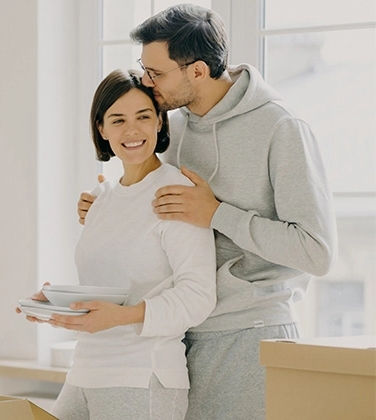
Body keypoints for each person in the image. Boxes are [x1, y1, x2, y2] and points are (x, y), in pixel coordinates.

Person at [76, 5, 338, 420]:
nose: (146, 83)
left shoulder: (281, 128)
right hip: (175, 338)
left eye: (156, 74)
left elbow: (317, 252)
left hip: (248, 333)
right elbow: (159, 214)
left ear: (196, 72)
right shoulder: (171, 127)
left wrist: (217, 213)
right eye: (143, 69)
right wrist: (107, 206)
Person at [22, 69, 217, 420]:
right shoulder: (102, 199)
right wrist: (61, 304)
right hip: (85, 369)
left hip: (143, 375)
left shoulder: (175, 194)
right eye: (118, 119)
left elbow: (198, 295)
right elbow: (110, 286)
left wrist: (124, 317)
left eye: (143, 116)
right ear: (101, 128)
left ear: (159, 121)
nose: (132, 130)